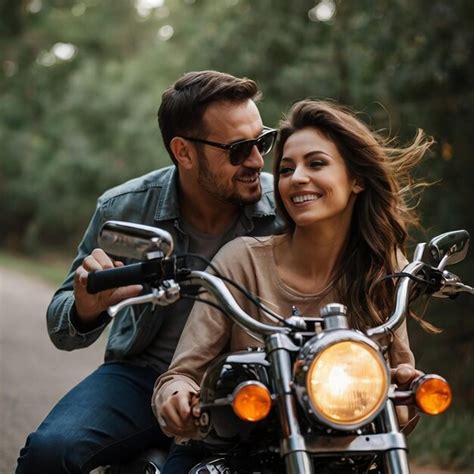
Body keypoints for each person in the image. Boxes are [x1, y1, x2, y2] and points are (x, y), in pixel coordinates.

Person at [16, 70, 285, 473]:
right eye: (238, 149)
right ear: (184, 152)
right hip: (140, 377)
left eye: (263, 141)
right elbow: (60, 324)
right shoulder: (123, 208)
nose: (257, 161)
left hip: (252, 384)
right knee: (50, 451)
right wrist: (86, 308)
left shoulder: (285, 210)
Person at [153, 99, 431, 471]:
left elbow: (400, 390)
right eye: (286, 169)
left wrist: (401, 393)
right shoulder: (242, 261)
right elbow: (182, 374)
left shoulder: (384, 266)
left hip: (346, 454)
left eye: (316, 164)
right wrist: (178, 396)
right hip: (239, 450)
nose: (296, 178)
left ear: (357, 179)